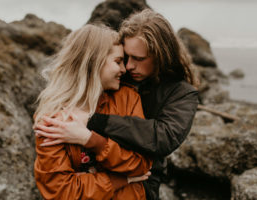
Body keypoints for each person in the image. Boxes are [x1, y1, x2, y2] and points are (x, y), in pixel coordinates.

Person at [35, 9, 199, 200]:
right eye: (124, 58)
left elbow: (161, 140)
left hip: (143, 182)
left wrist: (90, 125)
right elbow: (61, 189)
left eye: (138, 59)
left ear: (160, 55)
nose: (128, 67)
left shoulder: (179, 93)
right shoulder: (118, 79)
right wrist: (114, 178)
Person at [33, 24, 152, 200]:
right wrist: (121, 179)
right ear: (93, 62)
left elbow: (141, 164)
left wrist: (89, 140)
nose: (124, 69)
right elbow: (62, 192)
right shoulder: (53, 118)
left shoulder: (127, 98)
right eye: (118, 62)